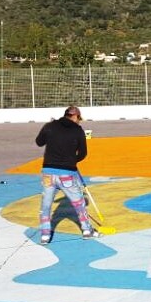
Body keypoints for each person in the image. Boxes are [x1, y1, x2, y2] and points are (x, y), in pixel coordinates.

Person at [35, 105, 99, 244]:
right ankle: (87, 230)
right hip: (67, 173)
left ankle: (45, 235)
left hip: (48, 172)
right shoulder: (77, 130)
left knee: (46, 205)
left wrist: (47, 130)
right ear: (75, 116)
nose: (79, 121)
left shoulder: (50, 126)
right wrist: (72, 161)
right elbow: (83, 153)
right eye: (79, 119)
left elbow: (39, 142)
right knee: (79, 203)